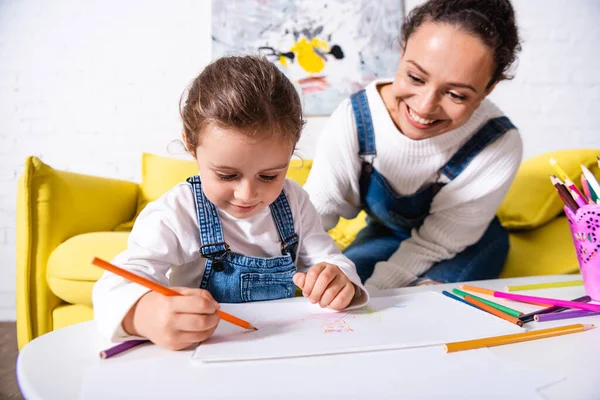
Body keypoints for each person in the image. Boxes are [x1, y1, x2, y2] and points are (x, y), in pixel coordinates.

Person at [92, 55, 369, 351]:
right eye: (227, 175)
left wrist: (340, 283)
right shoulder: (176, 213)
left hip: (281, 352)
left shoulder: (294, 202)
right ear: (191, 145)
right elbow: (114, 287)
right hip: (204, 357)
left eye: (269, 176)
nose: (247, 194)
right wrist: (147, 316)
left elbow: (330, 260)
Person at [304, 0, 523, 292]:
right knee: (339, 285)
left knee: (432, 301)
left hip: (462, 243)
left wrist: (377, 295)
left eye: (456, 94)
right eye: (415, 77)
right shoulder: (355, 120)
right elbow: (314, 215)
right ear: (403, 48)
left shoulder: (498, 143)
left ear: (489, 88)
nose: (424, 106)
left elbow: (435, 244)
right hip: (386, 235)